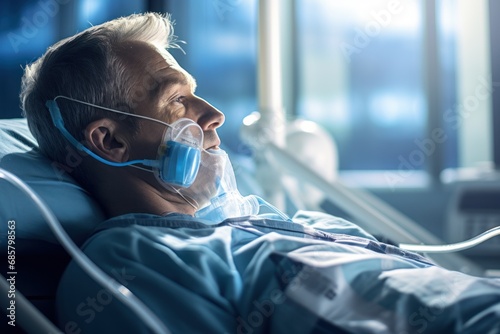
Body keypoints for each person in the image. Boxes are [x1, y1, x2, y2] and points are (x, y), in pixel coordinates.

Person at [21, 13, 500, 334]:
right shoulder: (133, 261)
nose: (213, 115)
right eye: (175, 100)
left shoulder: (295, 224)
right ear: (110, 141)